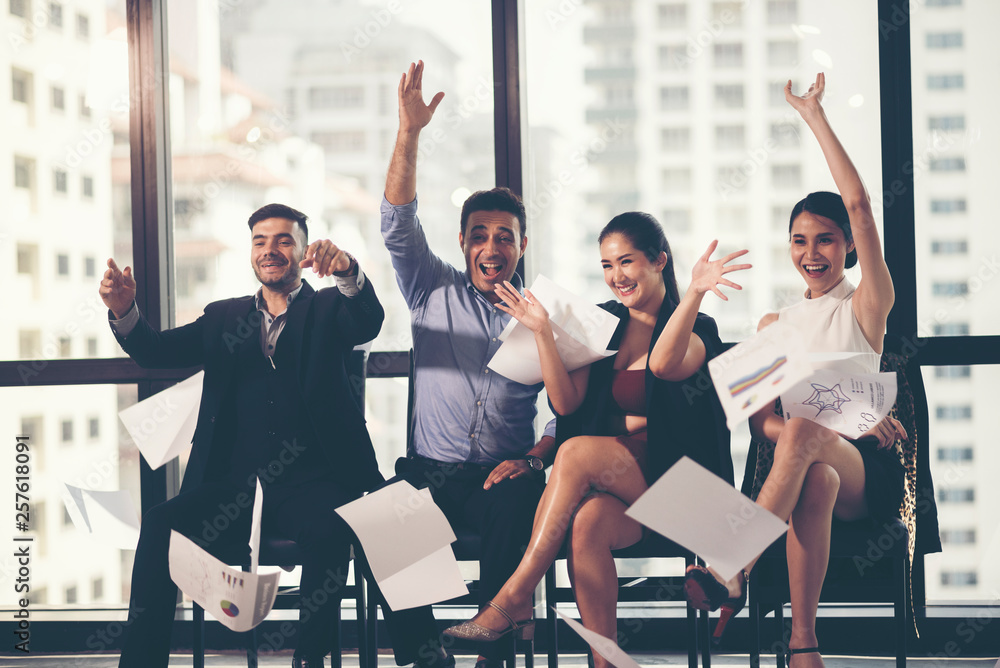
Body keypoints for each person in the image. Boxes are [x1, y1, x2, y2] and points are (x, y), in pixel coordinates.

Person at [443, 212, 750, 668]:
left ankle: (514, 596)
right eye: (607, 265)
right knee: (585, 526)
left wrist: (696, 293)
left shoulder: (697, 329)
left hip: (682, 496)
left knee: (575, 450)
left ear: (659, 261)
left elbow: (664, 365)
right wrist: (543, 332)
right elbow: (566, 405)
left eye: (626, 262)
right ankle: (605, 662)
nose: (616, 277)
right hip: (620, 491)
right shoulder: (603, 322)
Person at [683, 74, 907, 667]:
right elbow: (762, 428)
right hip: (817, 462)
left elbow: (859, 206)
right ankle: (804, 645)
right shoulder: (770, 324)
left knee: (813, 439)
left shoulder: (865, 304)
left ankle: (732, 565)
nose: (813, 253)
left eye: (827, 241)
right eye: (801, 241)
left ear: (848, 249)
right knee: (812, 469)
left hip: (870, 476)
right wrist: (832, 425)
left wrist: (813, 117)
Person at [101, 203, 384, 668]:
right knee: (158, 523)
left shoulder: (332, 308)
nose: (270, 250)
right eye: (260, 241)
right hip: (233, 490)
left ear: (303, 250)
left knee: (331, 531)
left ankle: (309, 659)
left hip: (313, 485)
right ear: (251, 252)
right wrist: (124, 310)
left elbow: (368, 319)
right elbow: (153, 351)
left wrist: (349, 271)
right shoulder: (223, 318)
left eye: (284, 240)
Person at [377, 60, 555, 668]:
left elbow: (566, 409)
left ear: (522, 245)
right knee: (391, 510)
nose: (491, 246)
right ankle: (425, 658)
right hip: (431, 470)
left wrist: (534, 456)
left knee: (516, 501)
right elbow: (397, 223)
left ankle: (492, 651)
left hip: (502, 472)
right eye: (479, 234)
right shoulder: (431, 288)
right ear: (462, 242)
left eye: (505, 236)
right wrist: (410, 132)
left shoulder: (543, 314)